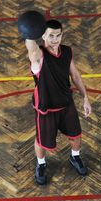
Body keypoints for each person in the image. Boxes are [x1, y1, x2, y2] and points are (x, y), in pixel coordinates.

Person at [25, 19, 91, 185]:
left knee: (76, 135)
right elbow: (31, 50)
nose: (55, 39)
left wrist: (85, 97)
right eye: (51, 36)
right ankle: (41, 165)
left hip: (66, 103)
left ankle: (75, 157)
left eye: (58, 35)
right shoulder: (38, 56)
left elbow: (75, 75)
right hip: (46, 108)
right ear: (43, 36)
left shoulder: (67, 51)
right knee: (41, 140)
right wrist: (28, 33)